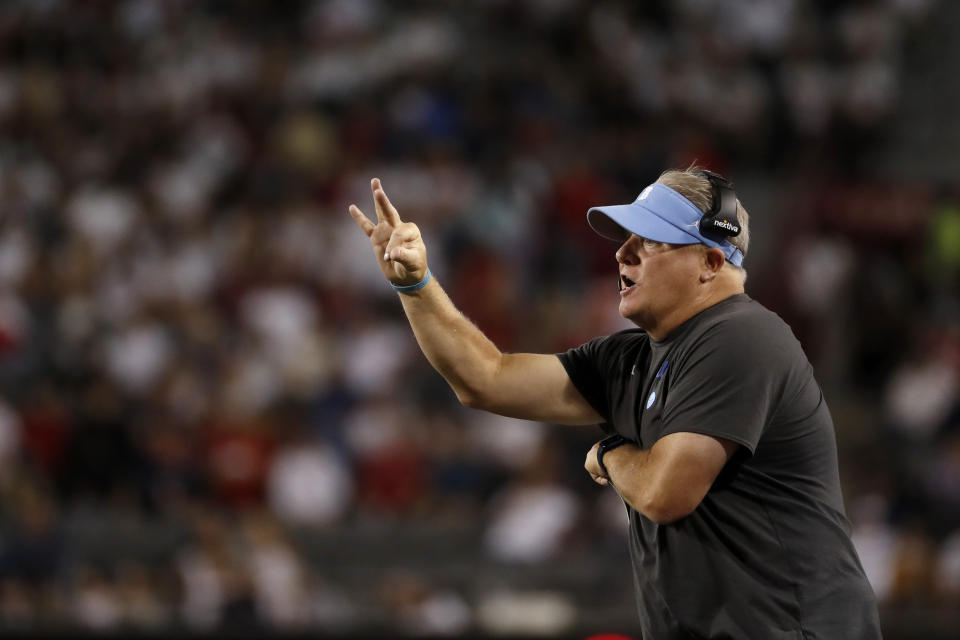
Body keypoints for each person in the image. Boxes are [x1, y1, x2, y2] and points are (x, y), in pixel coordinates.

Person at [348, 167, 881, 639]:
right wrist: (417, 285)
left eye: (651, 240)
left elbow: (666, 492)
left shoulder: (742, 336)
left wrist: (610, 455)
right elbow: (485, 378)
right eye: (626, 238)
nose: (623, 252)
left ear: (711, 262)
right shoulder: (630, 359)